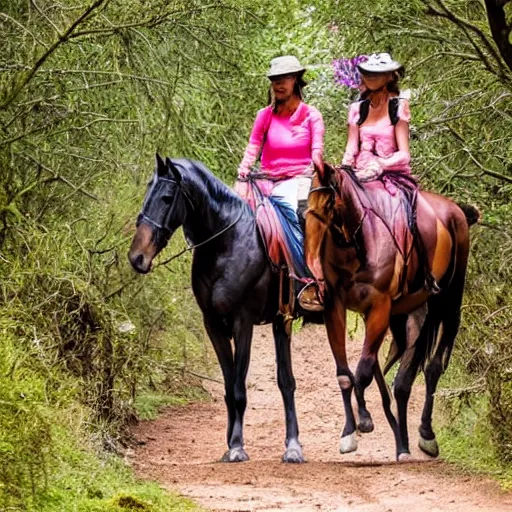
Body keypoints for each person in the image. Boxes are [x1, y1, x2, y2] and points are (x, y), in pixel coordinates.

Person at [234, 55, 325, 310]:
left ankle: (310, 280)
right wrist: (242, 175)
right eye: (274, 80)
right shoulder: (265, 115)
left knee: (294, 214)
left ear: (295, 79)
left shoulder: (311, 116)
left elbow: (317, 151)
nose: (278, 84)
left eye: (283, 79)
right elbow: (253, 147)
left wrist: (313, 168)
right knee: (235, 214)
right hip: (264, 179)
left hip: (299, 179)